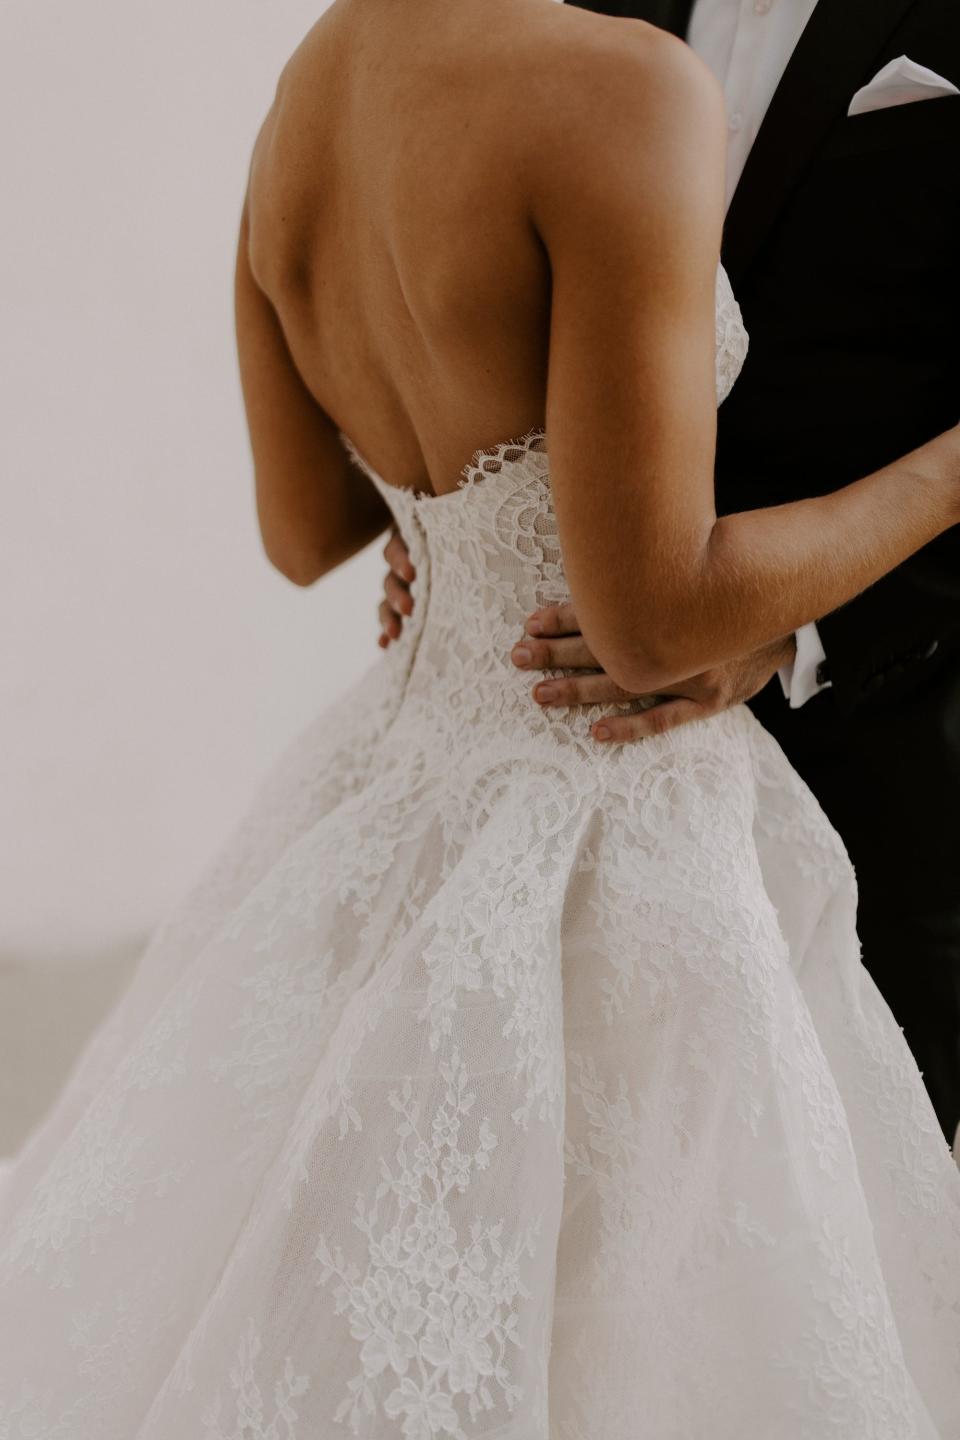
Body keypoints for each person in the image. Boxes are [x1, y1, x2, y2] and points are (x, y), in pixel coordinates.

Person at [1, 1, 959, 1435]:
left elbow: (305, 524)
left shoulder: (311, 87)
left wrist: (455, 524)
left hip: (395, 797)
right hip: (618, 825)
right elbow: (651, 621)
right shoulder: (626, 80)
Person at [384, 0, 960, 1152]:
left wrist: (788, 626)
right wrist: (440, 521)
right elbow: (484, 296)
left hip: (877, 779)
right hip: (553, 798)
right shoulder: (570, 21)